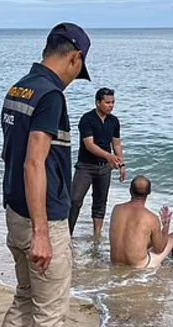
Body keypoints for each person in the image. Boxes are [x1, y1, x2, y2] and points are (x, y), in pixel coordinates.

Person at [0, 23, 96, 327]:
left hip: (15, 213)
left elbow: (8, 154)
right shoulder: (50, 96)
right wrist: (43, 232)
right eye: (79, 68)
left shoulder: (19, 89)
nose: (77, 77)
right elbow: (33, 162)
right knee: (49, 309)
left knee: (25, 299)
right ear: (74, 58)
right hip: (41, 219)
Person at [68, 87, 125, 237]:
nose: (111, 105)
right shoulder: (87, 119)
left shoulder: (114, 121)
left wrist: (121, 164)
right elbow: (89, 144)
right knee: (75, 200)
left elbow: (117, 143)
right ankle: (68, 233)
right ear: (98, 103)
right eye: (107, 102)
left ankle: (97, 236)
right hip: (85, 166)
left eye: (113, 102)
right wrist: (109, 156)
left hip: (104, 167)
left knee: (100, 202)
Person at [109, 175, 173, 268]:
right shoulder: (152, 218)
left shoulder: (117, 209)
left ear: (130, 190)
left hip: (115, 263)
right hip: (140, 266)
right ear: (149, 193)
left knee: (148, 238)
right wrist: (165, 226)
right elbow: (159, 249)